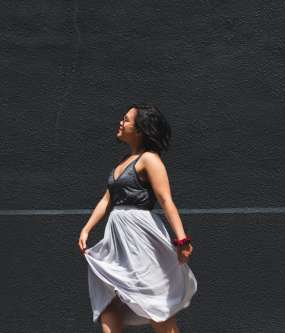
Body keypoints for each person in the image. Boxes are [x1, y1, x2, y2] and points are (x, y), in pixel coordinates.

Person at [78, 103, 197, 333]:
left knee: (154, 305)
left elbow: (166, 200)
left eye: (126, 119)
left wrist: (182, 240)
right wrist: (86, 229)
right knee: (109, 304)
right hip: (117, 240)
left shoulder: (149, 160)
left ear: (140, 129)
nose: (120, 122)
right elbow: (106, 200)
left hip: (140, 238)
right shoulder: (122, 162)